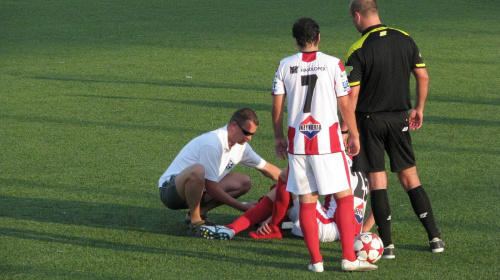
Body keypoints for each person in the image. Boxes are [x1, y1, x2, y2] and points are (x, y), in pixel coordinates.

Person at [271, 17, 376, 272]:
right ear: (319, 38)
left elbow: (277, 105)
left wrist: (278, 136)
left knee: (306, 201)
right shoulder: (333, 64)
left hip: (299, 144)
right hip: (328, 143)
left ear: (295, 40)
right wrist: (353, 134)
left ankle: (316, 261)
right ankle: (348, 258)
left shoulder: (285, 65)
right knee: (343, 198)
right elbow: (345, 103)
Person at [344, 0, 445, 259]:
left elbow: (352, 96)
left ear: (357, 16)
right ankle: (434, 237)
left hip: (369, 122)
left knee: (378, 181)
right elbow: (423, 76)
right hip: (400, 119)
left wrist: (347, 129)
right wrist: (418, 108)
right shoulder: (405, 39)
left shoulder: (358, 49)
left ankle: (387, 246)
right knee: (411, 178)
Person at [158, 108, 282, 237]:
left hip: (199, 189)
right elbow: (211, 187)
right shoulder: (213, 142)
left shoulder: (241, 146)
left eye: (252, 134)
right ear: (234, 125)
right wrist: (241, 207)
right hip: (171, 191)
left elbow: (266, 168)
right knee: (198, 170)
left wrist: (292, 180)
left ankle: (197, 214)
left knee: (243, 182)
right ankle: (195, 222)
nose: (249, 138)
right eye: (246, 132)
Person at [199, 157, 372, 242]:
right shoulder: (365, 168)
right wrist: (363, 229)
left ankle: (269, 226)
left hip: (322, 227)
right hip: (348, 231)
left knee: (288, 175)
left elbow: (300, 185)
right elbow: (381, 203)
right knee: (286, 189)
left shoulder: (331, 159)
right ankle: (276, 220)